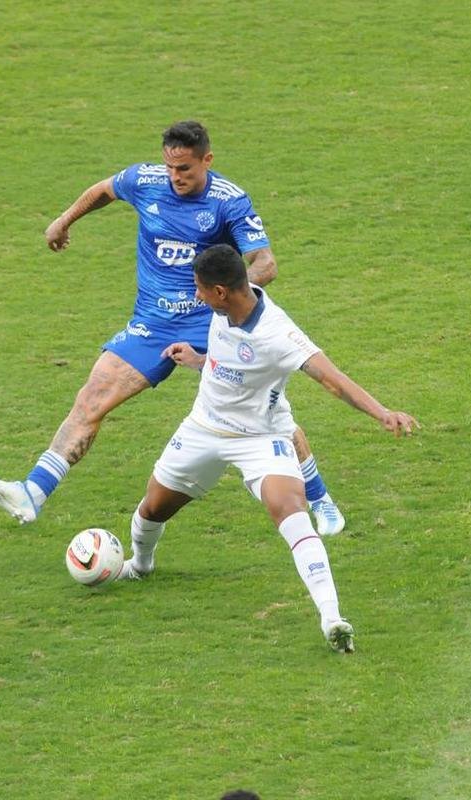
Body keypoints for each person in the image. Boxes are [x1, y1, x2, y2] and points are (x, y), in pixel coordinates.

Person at [0, 120, 347, 535]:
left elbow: (265, 263)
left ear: (207, 160)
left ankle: (320, 499)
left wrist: (229, 303)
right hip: (151, 325)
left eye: (186, 169)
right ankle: (33, 492)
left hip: (211, 323)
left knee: (268, 416)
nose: (176, 177)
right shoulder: (146, 180)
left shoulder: (229, 201)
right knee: (91, 398)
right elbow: (103, 190)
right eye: (170, 167)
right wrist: (64, 221)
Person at [115, 244, 420, 652]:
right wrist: (200, 359)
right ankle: (140, 565)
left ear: (222, 292)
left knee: (291, 512)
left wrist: (382, 413)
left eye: (201, 289)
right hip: (204, 426)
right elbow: (234, 363)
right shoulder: (225, 307)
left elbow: (332, 380)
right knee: (153, 509)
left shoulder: (278, 333)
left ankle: (333, 618)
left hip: (260, 438)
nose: (196, 295)